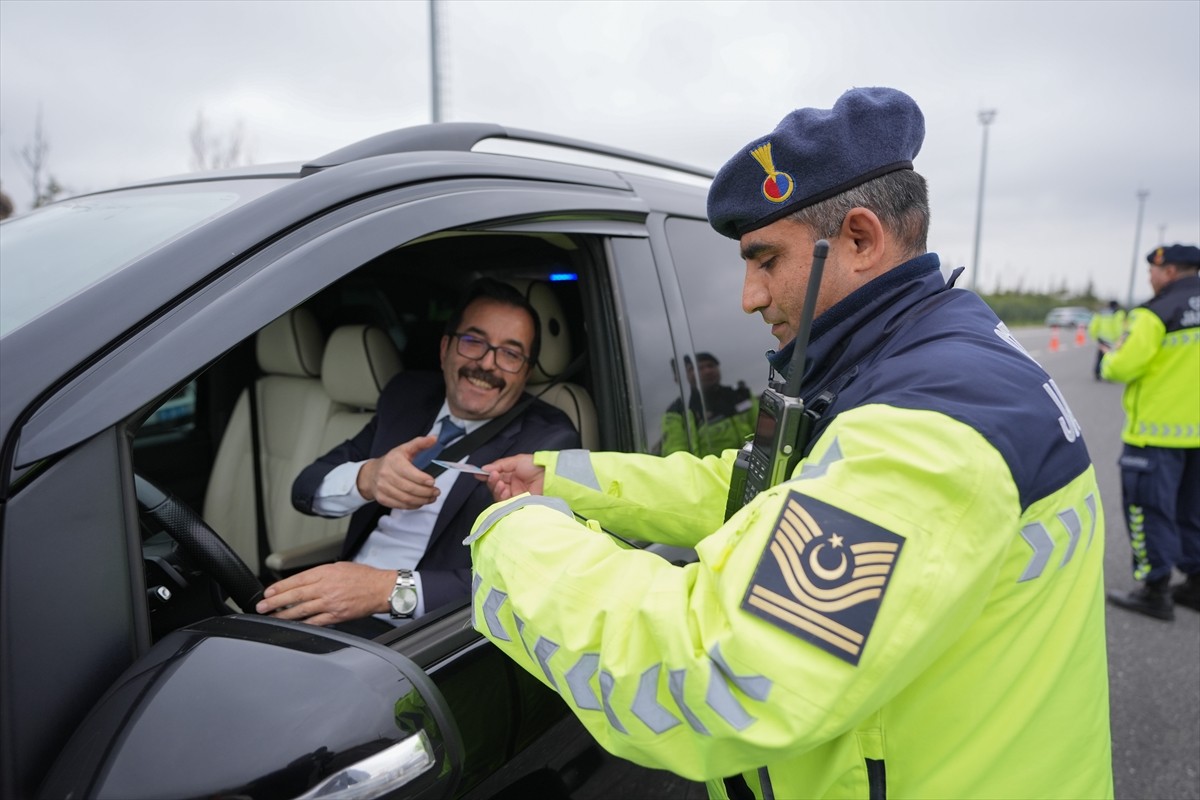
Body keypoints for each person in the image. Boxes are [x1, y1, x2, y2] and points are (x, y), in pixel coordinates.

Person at [465, 88, 1112, 799]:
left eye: (766, 260)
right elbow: (759, 487)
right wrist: (559, 480)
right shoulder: (922, 358)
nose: (747, 295)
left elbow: (726, 676)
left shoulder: (927, 429)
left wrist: (511, 537)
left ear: (861, 239)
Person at [255, 278, 579, 633]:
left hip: (425, 638)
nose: (487, 363)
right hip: (332, 603)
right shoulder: (406, 397)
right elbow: (305, 490)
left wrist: (387, 591)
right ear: (445, 349)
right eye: (474, 341)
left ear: (526, 372)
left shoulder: (548, 440)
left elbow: (522, 582)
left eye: (511, 353)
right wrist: (368, 478)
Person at [1101, 244, 1200, 620]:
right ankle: (1195, 583)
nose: (1150, 278)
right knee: (1192, 512)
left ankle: (1155, 590)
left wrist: (1111, 357)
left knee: (1148, 511)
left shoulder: (1156, 312)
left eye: (1153, 272)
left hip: (1156, 435)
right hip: (1196, 435)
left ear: (1170, 271)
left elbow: (1121, 368)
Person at [662, 352, 757, 457]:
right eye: (699, 368)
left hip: (755, 464)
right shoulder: (677, 412)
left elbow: (765, 430)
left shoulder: (740, 395)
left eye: (711, 365)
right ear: (684, 377)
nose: (708, 371)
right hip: (714, 472)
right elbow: (676, 456)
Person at [1088, 300, 1126, 379]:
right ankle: (1108, 373)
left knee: (1100, 357)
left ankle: (1097, 372)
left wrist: (1094, 336)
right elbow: (1118, 326)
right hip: (1112, 339)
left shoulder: (1101, 313)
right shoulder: (1117, 313)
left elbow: (1094, 325)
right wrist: (1119, 338)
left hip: (1102, 338)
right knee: (1110, 357)